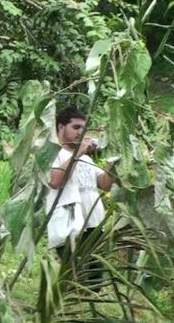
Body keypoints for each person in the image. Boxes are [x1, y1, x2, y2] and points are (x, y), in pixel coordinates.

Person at [46, 106, 114, 286]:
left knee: (95, 279)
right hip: (70, 224)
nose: (80, 133)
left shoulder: (86, 158)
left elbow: (104, 184)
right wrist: (78, 153)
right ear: (61, 127)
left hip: (93, 222)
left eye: (83, 129)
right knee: (74, 276)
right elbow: (55, 181)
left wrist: (112, 162)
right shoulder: (54, 153)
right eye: (76, 128)